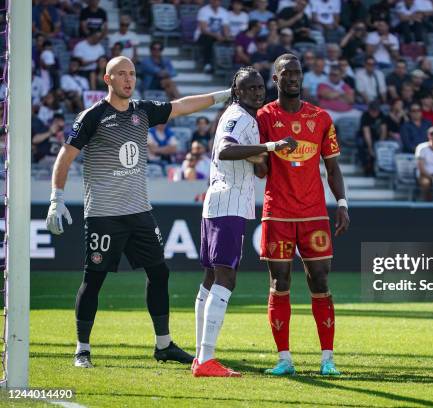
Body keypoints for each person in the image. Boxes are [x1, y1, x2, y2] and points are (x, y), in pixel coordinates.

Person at [45, 56, 233, 369]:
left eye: (131, 73)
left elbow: (182, 105)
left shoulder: (142, 110)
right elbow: (65, 157)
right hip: (104, 214)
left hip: (138, 211)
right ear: (108, 79)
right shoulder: (92, 116)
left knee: (159, 272)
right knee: (94, 280)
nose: (128, 79)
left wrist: (222, 96)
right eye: (121, 74)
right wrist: (56, 198)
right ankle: (82, 349)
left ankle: (163, 345)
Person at [192, 67, 297, 377]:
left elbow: (258, 168)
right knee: (226, 278)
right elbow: (225, 150)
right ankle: (206, 359)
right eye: (249, 87)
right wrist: (271, 147)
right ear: (236, 91)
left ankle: (201, 356)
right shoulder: (239, 116)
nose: (256, 91)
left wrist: (261, 157)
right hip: (229, 203)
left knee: (211, 278)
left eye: (260, 86)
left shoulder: (242, 116)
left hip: (219, 201)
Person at [256, 53, 350, 376]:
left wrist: (342, 204)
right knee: (279, 282)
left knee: (320, 281)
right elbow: (260, 169)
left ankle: (328, 359)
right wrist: (260, 156)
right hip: (278, 212)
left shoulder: (321, 117)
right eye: (286, 73)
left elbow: (333, 168)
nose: (293, 78)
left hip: (314, 213)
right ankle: (284, 358)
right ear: (275, 79)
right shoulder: (264, 117)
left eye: (297, 73)